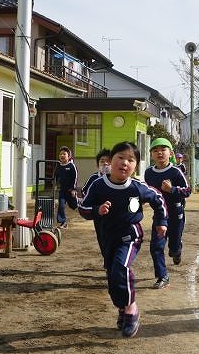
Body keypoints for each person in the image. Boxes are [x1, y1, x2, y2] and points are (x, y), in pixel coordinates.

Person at [78, 141, 167, 338]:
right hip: (107, 238)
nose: (125, 163)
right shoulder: (98, 185)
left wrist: (161, 222)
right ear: (110, 161)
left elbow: (158, 198)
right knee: (113, 278)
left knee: (120, 267)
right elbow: (83, 208)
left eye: (131, 160)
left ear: (136, 166)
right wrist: (97, 210)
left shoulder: (137, 187)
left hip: (130, 235)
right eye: (120, 157)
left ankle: (131, 309)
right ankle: (122, 308)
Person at [144, 138, 191, 288]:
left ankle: (177, 251)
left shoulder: (175, 172)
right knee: (156, 246)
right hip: (160, 215)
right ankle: (162, 276)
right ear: (151, 154)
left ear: (170, 153)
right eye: (155, 150)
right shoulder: (148, 173)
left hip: (176, 214)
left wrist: (172, 189)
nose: (159, 153)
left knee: (173, 248)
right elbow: (147, 192)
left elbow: (187, 191)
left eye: (163, 150)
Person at [81, 148, 112, 259]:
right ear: (97, 165)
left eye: (108, 161)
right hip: (99, 215)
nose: (105, 164)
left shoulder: (117, 178)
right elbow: (84, 191)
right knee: (102, 237)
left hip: (115, 214)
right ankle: (107, 260)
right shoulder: (94, 178)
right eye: (102, 161)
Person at [54, 146, 78, 229]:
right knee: (61, 206)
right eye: (60, 154)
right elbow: (55, 176)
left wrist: (73, 189)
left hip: (70, 190)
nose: (62, 155)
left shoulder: (71, 166)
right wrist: (55, 185)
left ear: (69, 156)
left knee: (74, 206)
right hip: (62, 191)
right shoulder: (58, 166)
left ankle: (79, 203)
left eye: (64, 154)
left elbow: (75, 178)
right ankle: (63, 222)